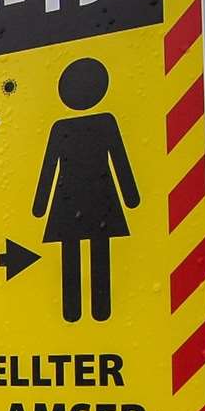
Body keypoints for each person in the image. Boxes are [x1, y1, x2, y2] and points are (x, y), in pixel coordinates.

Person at [31, 58, 140, 323]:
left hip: (77, 199)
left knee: (83, 251)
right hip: (97, 198)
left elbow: (50, 169)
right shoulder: (92, 124)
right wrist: (130, 196)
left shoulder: (81, 125)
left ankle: (83, 311)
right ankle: (86, 310)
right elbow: (49, 166)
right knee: (87, 251)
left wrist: (40, 205)